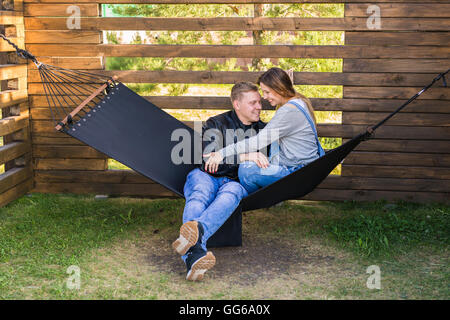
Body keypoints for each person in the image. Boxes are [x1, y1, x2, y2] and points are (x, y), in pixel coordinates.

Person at [172, 82, 269, 281]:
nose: (259, 106)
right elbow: (209, 162)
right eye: (253, 103)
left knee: (232, 194)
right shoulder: (215, 124)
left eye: (259, 102)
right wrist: (246, 157)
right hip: (205, 176)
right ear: (237, 104)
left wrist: (224, 157)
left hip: (234, 182)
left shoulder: (264, 131)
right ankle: (195, 255)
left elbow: (259, 167)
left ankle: (192, 249)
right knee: (199, 194)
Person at [204, 67, 325, 194]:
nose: (265, 97)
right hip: (302, 168)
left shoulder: (289, 111)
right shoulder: (298, 103)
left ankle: (247, 199)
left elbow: (258, 141)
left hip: (298, 173)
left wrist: (221, 153)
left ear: (279, 88)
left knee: (246, 170)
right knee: (251, 161)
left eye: (267, 92)